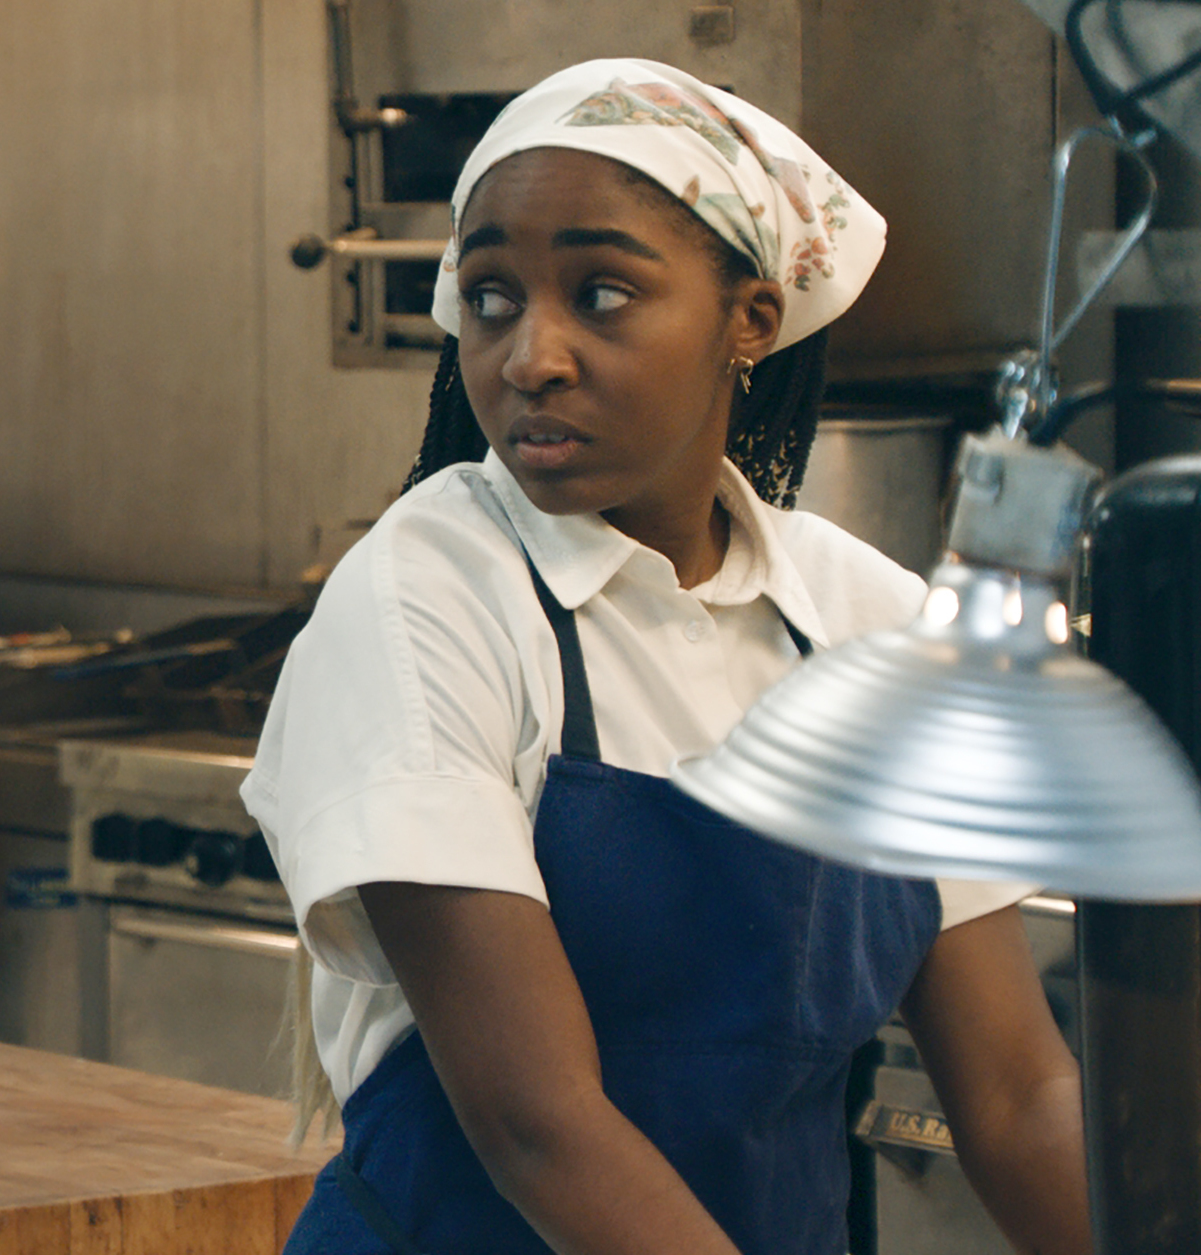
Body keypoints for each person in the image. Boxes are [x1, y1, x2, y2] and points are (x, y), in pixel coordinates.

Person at [244, 60, 1088, 1255]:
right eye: (488, 296)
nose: (529, 354)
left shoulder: (869, 617)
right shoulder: (426, 594)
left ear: (749, 316)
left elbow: (1016, 1096)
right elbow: (538, 1124)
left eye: (599, 292)